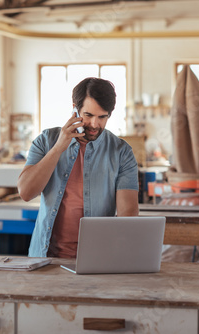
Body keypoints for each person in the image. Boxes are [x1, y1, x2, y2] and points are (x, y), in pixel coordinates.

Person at [18, 77, 139, 258]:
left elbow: (127, 215)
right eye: (88, 115)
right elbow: (26, 192)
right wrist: (59, 147)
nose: (94, 124)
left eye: (102, 117)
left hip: (96, 258)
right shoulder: (46, 140)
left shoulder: (121, 152)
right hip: (45, 258)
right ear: (75, 108)